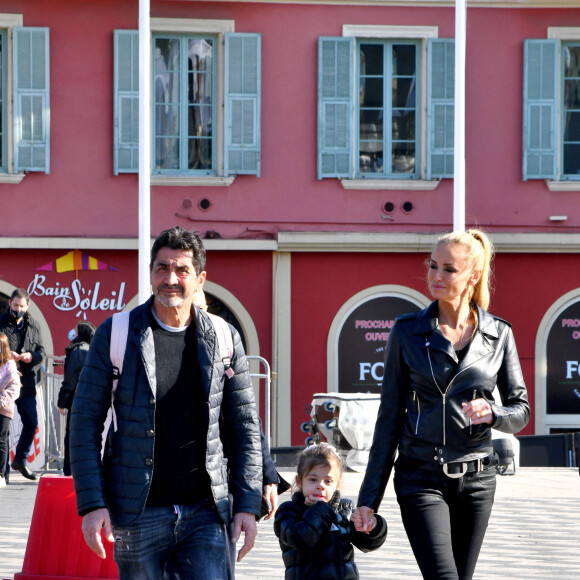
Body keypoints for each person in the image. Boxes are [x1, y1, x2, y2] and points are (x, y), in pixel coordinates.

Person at [70, 226, 263, 579]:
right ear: (150, 273)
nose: (169, 278)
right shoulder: (116, 334)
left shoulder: (224, 336)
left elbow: (245, 426)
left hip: (207, 513)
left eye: (181, 270)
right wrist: (92, 504)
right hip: (136, 513)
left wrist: (248, 504)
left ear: (200, 278)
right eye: (161, 268)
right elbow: (83, 423)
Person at [356, 229, 530, 580]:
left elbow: (520, 410)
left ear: (473, 275)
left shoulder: (499, 334)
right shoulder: (407, 332)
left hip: (478, 479)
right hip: (421, 476)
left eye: (449, 269)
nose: (436, 276)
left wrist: (493, 412)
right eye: (433, 265)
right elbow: (389, 419)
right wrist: (368, 499)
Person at [192, 288, 289, 520]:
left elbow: (248, 419)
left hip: (217, 484)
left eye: (201, 310)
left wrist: (267, 476)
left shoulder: (223, 350)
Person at [274, 443, 387, 579]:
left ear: (337, 484)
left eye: (328, 481)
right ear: (299, 482)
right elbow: (299, 539)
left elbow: (367, 544)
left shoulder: (345, 509)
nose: (320, 486)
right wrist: (320, 510)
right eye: (313, 479)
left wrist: (373, 526)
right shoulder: (289, 510)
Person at [0, 288, 45, 481]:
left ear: (27, 307)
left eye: (22, 306)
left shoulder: (34, 325)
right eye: (15, 305)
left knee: (31, 422)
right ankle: (3, 474)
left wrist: (30, 356)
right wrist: (7, 358)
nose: (18, 309)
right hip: (6, 382)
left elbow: (41, 352)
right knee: (4, 430)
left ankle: (20, 459)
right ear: (10, 303)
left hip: (26, 382)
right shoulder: (1, 321)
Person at [57, 321, 96, 476]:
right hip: (89, 399)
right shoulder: (90, 350)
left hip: (77, 399)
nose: (72, 332)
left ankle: (70, 472)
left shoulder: (78, 351)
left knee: (72, 438)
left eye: (75, 330)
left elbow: (70, 381)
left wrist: (61, 402)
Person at [0, 332, 22, 488]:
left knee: (1, 440)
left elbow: (14, 390)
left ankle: (1, 474)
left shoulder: (10, 365)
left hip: (4, 408)